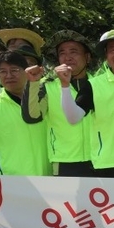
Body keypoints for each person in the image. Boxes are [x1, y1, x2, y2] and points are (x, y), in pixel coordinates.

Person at [61, 30, 114, 178]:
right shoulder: (93, 86)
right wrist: (64, 86)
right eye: (113, 50)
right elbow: (73, 118)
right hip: (108, 166)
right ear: (106, 56)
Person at [19, 30, 98, 177]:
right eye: (62, 53)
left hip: (101, 159)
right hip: (65, 161)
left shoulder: (100, 83)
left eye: (74, 52)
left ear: (87, 57)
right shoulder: (47, 86)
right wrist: (32, 83)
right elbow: (31, 116)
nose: (67, 57)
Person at [0, 51, 51, 177]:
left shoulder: (45, 99)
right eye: (2, 71)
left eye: (14, 70)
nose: (9, 75)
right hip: (11, 181)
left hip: (49, 176)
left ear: (26, 71)